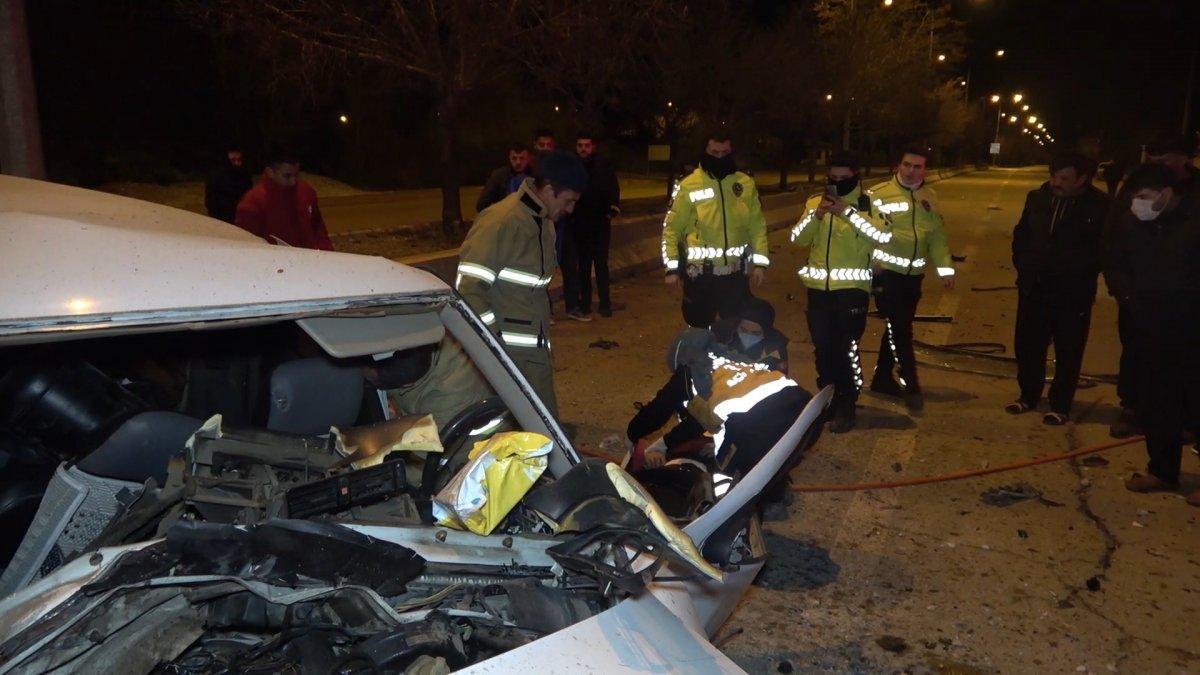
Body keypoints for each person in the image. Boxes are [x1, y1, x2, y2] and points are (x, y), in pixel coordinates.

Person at [455, 150, 586, 416]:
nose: (570, 209)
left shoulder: (542, 223)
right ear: (549, 189)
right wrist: (494, 347)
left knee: (541, 432)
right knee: (527, 434)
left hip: (532, 354)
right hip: (508, 357)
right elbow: (468, 289)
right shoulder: (501, 221)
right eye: (569, 201)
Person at [1109, 164, 1200, 507]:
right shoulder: (1135, 224)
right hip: (1150, 326)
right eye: (1134, 198)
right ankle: (1162, 470)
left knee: (1196, 402)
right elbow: (1116, 261)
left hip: (1192, 328)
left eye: (1145, 197)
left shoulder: (1194, 224)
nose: (1138, 204)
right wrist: (1128, 295)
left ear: (1166, 193)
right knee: (1157, 401)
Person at [626, 297, 790, 471]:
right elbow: (668, 405)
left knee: (731, 468)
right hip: (725, 413)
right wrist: (644, 438)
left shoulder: (773, 354)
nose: (748, 336)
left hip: (754, 420)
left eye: (755, 333)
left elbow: (719, 413)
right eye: (744, 329)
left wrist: (722, 443)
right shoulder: (717, 345)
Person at [1006, 153, 1110, 425]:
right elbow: (1022, 234)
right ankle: (1028, 395)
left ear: (1082, 179)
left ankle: (1060, 404)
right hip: (1034, 287)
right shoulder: (1037, 198)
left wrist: (1082, 271)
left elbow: (1105, 247)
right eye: (1054, 176)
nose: (1056, 182)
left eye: (1064, 178)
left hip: (1072, 293)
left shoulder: (1099, 206)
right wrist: (1024, 264)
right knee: (1028, 346)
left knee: (1069, 349)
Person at [791, 152, 888, 431]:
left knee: (846, 347)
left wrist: (847, 212)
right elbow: (798, 239)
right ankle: (828, 399)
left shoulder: (869, 204)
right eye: (833, 178)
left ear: (856, 176)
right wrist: (817, 215)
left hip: (852, 290)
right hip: (819, 289)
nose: (838, 182)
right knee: (823, 348)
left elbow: (882, 236)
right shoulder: (814, 203)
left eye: (844, 178)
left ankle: (848, 402)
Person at [866, 145, 955, 411]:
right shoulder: (878, 194)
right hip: (887, 275)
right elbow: (864, 231)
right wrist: (872, 263)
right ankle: (911, 382)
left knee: (896, 327)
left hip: (913, 276)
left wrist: (945, 269)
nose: (911, 171)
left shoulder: (929, 196)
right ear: (898, 165)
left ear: (925, 170)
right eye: (907, 164)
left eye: (917, 166)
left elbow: (936, 236)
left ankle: (882, 379)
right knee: (901, 329)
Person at [662, 133, 770, 328]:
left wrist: (760, 263)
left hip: (735, 276)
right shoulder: (688, 185)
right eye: (714, 152)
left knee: (732, 331)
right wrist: (672, 269)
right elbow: (671, 230)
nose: (720, 157)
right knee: (699, 330)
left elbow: (757, 226)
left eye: (724, 152)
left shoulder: (745, 183)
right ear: (705, 152)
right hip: (701, 275)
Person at [364, 336, 494, 431]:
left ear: (407, 385)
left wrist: (397, 419)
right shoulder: (430, 330)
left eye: (373, 381)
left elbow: (421, 456)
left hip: (463, 456)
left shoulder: (447, 400)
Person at [561, 133, 621, 321]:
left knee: (601, 264)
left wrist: (612, 209)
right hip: (579, 224)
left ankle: (605, 303)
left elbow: (613, 188)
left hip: (600, 223)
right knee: (584, 267)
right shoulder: (572, 167)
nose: (583, 149)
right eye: (580, 145)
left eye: (587, 145)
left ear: (593, 147)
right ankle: (585, 304)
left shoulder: (603, 165)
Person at [234, 149, 333, 251]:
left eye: (296, 175)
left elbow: (318, 226)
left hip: (310, 256)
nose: (293, 181)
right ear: (270, 172)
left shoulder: (306, 191)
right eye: (287, 176)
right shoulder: (252, 202)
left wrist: (327, 251)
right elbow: (247, 243)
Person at [476, 143, 531, 213]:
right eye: (514, 158)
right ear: (509, 158)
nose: (518, 162)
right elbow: (481, 204)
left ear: (528, 159)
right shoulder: (499, 176)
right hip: (504, 217)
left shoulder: (534, 176)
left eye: (522, 158)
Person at [204, 147, 252, 224]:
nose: (236, 163)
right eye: (233, 160)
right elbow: (211, 201)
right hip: (222, 218)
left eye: (239, 160)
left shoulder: (244, 175)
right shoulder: (216, 177)